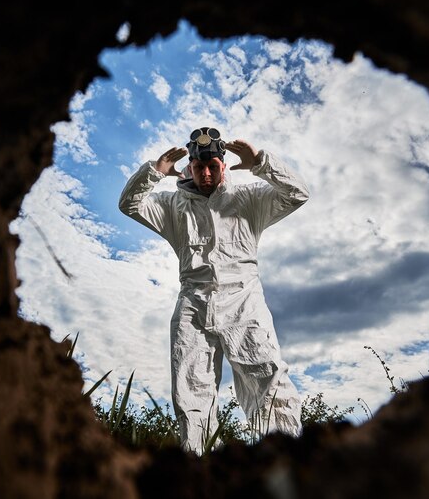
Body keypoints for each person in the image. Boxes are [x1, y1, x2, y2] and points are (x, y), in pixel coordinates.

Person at [118, 127, 309, 454]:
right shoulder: (172, 206)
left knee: (269, 384)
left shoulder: (248, 198)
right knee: (192, 393)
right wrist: (153, 172)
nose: (206, 174)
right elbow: (130, 205)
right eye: (199, 167)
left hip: (244, 304)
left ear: (224, 165)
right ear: (189, 167)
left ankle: (286, 464)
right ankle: (201, 471)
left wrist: (261, 163)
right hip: (193, 307)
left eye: (213, 166)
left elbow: (297, 194)